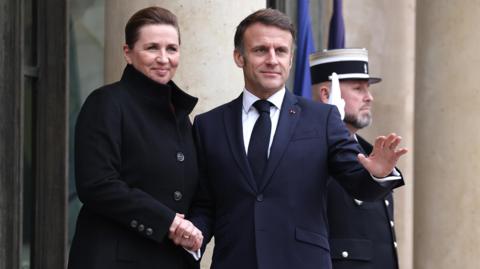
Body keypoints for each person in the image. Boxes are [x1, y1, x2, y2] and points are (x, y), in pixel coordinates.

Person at [186, 8, 407, 269]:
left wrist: (378, 174)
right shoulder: (208, 125)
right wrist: (193, 236)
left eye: (280, 51)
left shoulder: (322, 118)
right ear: (239, 57)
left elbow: (356, 181)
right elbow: (205, 203)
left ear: (291, 60)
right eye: (260, 50)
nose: (272, 59)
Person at [68, 6, 203, 269]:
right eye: (152, 47)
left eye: (172, 49)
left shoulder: (179, 115)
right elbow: (97, 184)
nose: (163, 58)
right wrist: (169, 222)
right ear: (127, 53)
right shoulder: (106, 103)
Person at [310, 48, 400, 269]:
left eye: (368, 88)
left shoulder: (368, 151)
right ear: (326, 95)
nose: (369, 97)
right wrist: (330, 124)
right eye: (358, 88)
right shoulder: (310, 148)